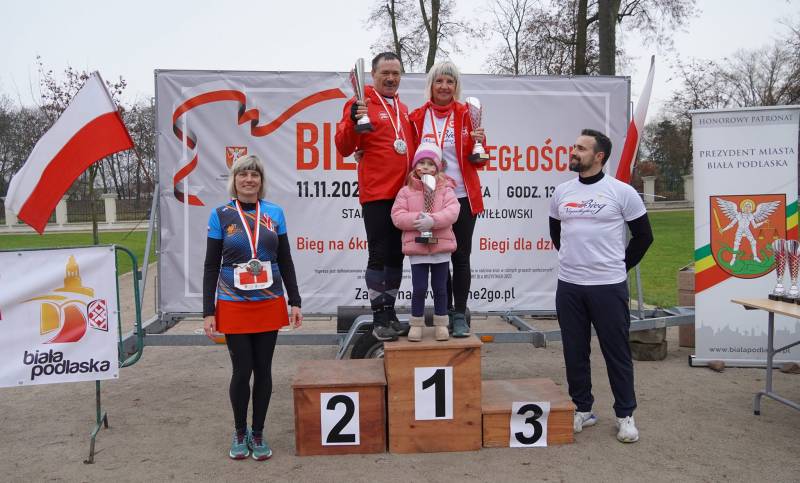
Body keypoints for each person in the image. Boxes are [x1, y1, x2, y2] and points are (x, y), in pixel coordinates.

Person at [548, 129, 654, 444]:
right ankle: (583, 409)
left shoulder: (622, 192)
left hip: (608, 286)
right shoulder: (562, 192)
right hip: (569, 286)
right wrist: (574, 261)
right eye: (574, 146)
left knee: (616, 351)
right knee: (574, 351)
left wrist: (619, 266)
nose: (573, 151)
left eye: (581, 148)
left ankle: (625, 415)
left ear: (599, 156)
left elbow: (644, 237)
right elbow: (556, 232)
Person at [202, 154, 303, 460]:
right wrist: (208, 311)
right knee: (241, 369)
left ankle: (257, 432)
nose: (249, 180)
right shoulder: (220, 215)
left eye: (254, 175)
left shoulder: (274, 213)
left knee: (263, 369)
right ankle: (239, 431)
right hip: (233, 303)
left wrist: (295, 301)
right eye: (243, 174)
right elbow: (211, 266)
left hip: (269, 301)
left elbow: (285, 259)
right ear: (234, 180)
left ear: (261, 181)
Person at [335, 52, 415, 342]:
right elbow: (344, 146)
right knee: (379, 254)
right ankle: (379, 317)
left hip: (403, 196)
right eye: (385, 73)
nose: (391, 79)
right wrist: (352, 122)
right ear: (373, 75)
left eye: (396, 73)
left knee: (396, 255)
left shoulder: (403, 108)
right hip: (377, 193)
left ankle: (390, 313)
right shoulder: (360, 103)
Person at [409, 61, 486, 338]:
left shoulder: (467, 115)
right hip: (429, 197)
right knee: (439, 256)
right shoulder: (417, 117)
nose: (444, 86)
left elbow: (480, 160)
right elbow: (407, 156)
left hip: (461, 196)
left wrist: (480, 142)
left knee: (461, 256)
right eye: (439, 81)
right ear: (431, 85)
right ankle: (444, 312)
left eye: (450, 82)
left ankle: (459, 315)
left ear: (456, 86)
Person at [391, 143, 460, 342]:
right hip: (418, 249)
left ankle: (441, 324)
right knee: (419, 288)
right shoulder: (405, 191)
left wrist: (433, 221)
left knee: (440, 288)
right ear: (415, 166)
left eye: (430, 164)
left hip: (441, 248)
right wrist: (418, 220)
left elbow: (453, 212)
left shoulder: (446, 189)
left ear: (437, 168)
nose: (426, 167)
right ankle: (416, 324)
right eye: (422, 163)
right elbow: (397, 216)